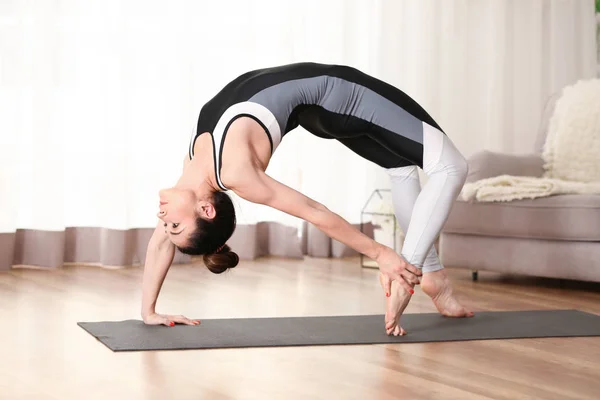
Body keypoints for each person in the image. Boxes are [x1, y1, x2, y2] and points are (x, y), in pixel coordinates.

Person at [141, 62, 474, 336]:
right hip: (342, 97)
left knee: (400, 165)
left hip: (319, 111)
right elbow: (315, 212)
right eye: (173, 223)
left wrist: (148, 311)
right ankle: (410, 273)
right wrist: (383, 255)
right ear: (206, 209)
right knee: (451, 166)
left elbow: (160, 245)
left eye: (168, 225)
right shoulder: (235, 173)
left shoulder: (192, 169)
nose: (162, 218)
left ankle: (434, 279)